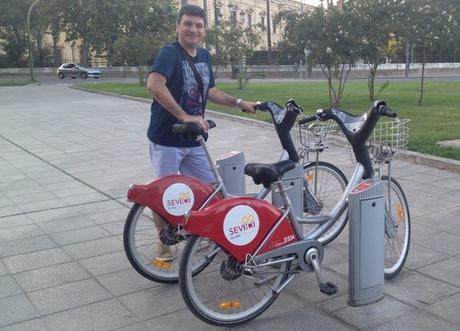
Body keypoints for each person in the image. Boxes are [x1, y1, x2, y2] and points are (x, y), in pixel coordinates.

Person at [146, 4, 257, 261]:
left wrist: (239, 103)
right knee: (162, 193)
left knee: (211, 189)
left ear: (204, 30)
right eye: (187, 24)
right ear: (178, 27)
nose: (193, 29)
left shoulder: (204, 56)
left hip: (194, 139)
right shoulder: (169, 53)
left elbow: (210, 91)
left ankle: (207, 232)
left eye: (198, 25)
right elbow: (154, 83)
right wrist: (183, 115)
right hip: (166, 138)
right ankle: (163, 242)